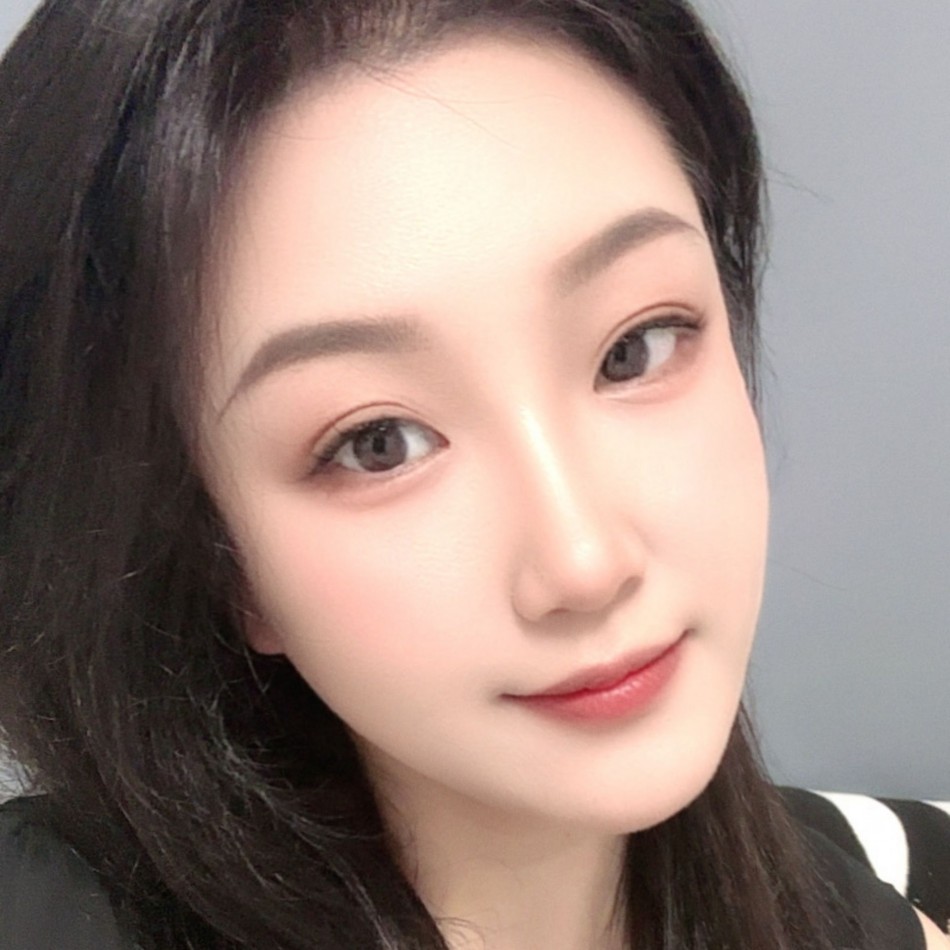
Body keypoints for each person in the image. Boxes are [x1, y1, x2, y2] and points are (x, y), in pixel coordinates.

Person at [0, 1, 946, 948]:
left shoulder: (835, 913)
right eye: (378, 443)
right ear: (215, 556)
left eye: (635, 349)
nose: (585, 562)